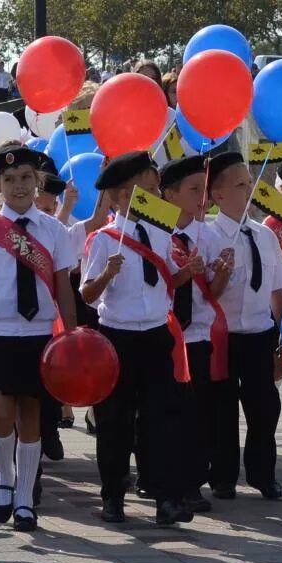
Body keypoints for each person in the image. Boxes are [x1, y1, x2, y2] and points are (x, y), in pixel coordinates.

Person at [0, 146, 82, 531]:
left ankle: (26, 498)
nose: (18, 186)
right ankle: (4, 478)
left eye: (26, 178)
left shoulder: (54, 231)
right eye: (8, 180)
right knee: (2, 412)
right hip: (0, 333)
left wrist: (73, 340)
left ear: (38, 182)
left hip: (39, 334)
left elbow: (64, 289)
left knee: (32, 415)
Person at [81, 151, 195, 525]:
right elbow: (87, 294)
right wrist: (106, 276)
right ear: (115, 198)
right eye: (132, 193)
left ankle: (166, 497)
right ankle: (113, 495)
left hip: (156, 335)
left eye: (147, 190)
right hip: (118, 338)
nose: (141, 199)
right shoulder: (103, 240)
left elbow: (168, 279)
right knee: (115, 421)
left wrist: (189, 271)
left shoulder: (162, 232)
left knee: (161, 419)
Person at [196, 151, 282, 500]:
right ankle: (222, 476)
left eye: (249, 183)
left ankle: (263, 474)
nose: (248, 190)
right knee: (221, 409)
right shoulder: (207, 237)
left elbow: (276, 287)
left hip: (259, 333)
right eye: (239, 185)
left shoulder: (264, 236)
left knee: (264, 408)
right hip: (221, 336)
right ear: (218, 195)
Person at [160, 154, 229, 513]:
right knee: (166, 412)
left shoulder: (208, 234)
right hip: (165, 336)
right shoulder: (156, 233)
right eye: (193, 189)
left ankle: (192, 484)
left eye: (203, 189)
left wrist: (224, 273)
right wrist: (185, 274)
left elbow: (213, 293)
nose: (201, 196)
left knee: (198, 413)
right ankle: (161, 478)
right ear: (169, 194)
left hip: (198, 337)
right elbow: (157, 287)